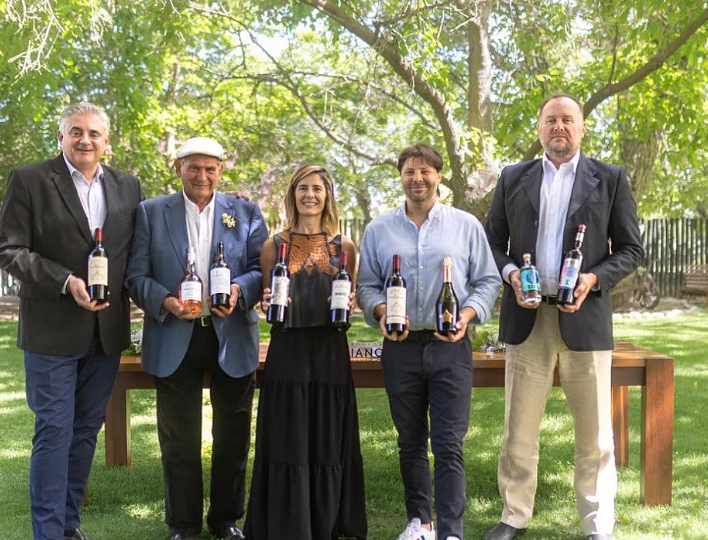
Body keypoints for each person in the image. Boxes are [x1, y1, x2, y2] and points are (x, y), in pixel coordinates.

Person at [482, 94, 644, 540]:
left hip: (585, 318)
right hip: (528, 319)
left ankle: (597, 524)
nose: (559, 126)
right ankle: (514, 516)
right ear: (540, 128)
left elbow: (631, 249)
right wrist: (511, 275)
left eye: (567, 119)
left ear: (582, 127)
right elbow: (491, 241)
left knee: (596, 434)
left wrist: (593, 278)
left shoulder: (610, 178)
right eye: (551, 119)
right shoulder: (513, 177)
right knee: (518, 430)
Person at [0, 102, 144, 540]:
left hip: (106, 332)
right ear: (61, 137)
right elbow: (8, 250)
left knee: (85, 432)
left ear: (106, 140)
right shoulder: (31, 180)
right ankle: (48, 532)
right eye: (76, 131)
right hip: (51, 331)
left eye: (94, 133)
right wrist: (64, 281)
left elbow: (137, 252)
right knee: (55, 431)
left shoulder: (128, 186)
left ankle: (68, 525)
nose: (85, 140)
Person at [356, 144, 501, 540]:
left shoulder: (465, 226)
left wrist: (466, 316)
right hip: (400, 347)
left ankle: (451, 531)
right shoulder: (379, 230)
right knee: (410, 441)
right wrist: (381, 311)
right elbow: (366, 286)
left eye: (425, 171)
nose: (417, 178)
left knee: (449, 443)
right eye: (409, 171)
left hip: (451, 347)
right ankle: (419, 523)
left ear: (438, 176)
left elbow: (488, 281)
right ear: (400, 177)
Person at [124, 136, 267, 540]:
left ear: (220, 171)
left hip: (231, 334)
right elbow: (135, 276)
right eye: (194, 167)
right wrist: (165, 302)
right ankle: (183, 524)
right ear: (178, 169)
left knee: (233, 435)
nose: (202, 175)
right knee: (178, 439)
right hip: (174, 335)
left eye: (210, 168)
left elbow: (261, 268)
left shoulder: (246, 212)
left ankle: (225, 519)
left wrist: (238, 291)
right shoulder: (151, 212)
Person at [244, 165, 368, 540]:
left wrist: (348, 304)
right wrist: (266, 302)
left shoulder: (344, 247)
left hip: (330, 350)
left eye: (317, 188)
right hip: (288, 348)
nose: (309, 195)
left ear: (327, 195)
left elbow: (350, 299)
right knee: (287, 432)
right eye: (302, 188)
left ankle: (328, 521)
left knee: (328, 433)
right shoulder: (274, 245)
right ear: (292, 195)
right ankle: (287, 522)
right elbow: (267, 300)